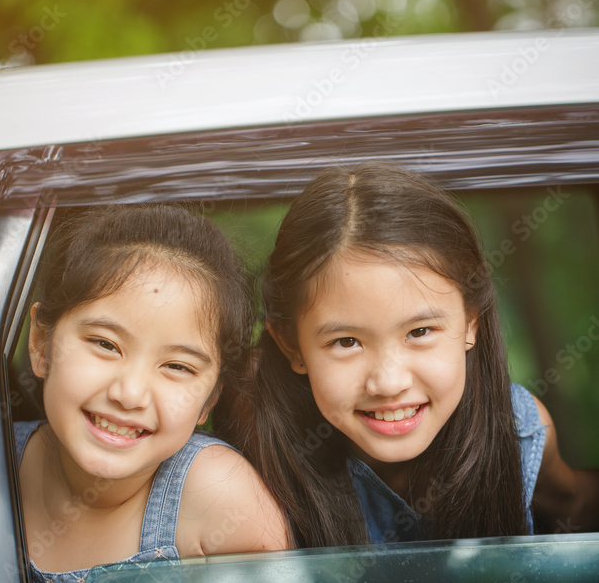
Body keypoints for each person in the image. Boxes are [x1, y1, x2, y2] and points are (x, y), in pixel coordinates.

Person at [229, 162, 599, 548]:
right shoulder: (250, 450)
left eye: (419, 332)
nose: (389, 383)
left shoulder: (516, 429)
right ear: (292, 345)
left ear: (472, 322)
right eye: (346, 341)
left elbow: (573, 504)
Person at [16, 203, 288, 583]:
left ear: (210, 399)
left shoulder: (216, 498)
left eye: (178, 367)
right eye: (105, 344)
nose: (130, 394)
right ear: (40, 343)